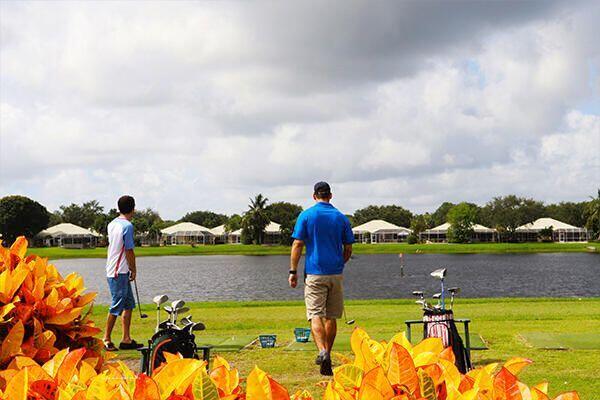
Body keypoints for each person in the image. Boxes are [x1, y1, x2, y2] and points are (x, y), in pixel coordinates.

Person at [289, 181, 354, 375]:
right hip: (335, 273)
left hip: (315, 273)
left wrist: (293, 271)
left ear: (314, 195)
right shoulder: (341, 218)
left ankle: (322, 351)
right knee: (332, 316)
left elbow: (298, 244)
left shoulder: (306, 215)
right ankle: (329, 353)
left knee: (315, 314)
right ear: (330, 196)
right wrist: (340, 263)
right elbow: (348, 248)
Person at [102, 195, 143, 351]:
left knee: (128, 304)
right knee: (117, 305)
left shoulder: (112, 224)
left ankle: (126, 339)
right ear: (133, 208)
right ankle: (106, 339)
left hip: (116, 269)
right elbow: (128, 250)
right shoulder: (128, 226)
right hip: (119, 271)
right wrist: (134, 268)